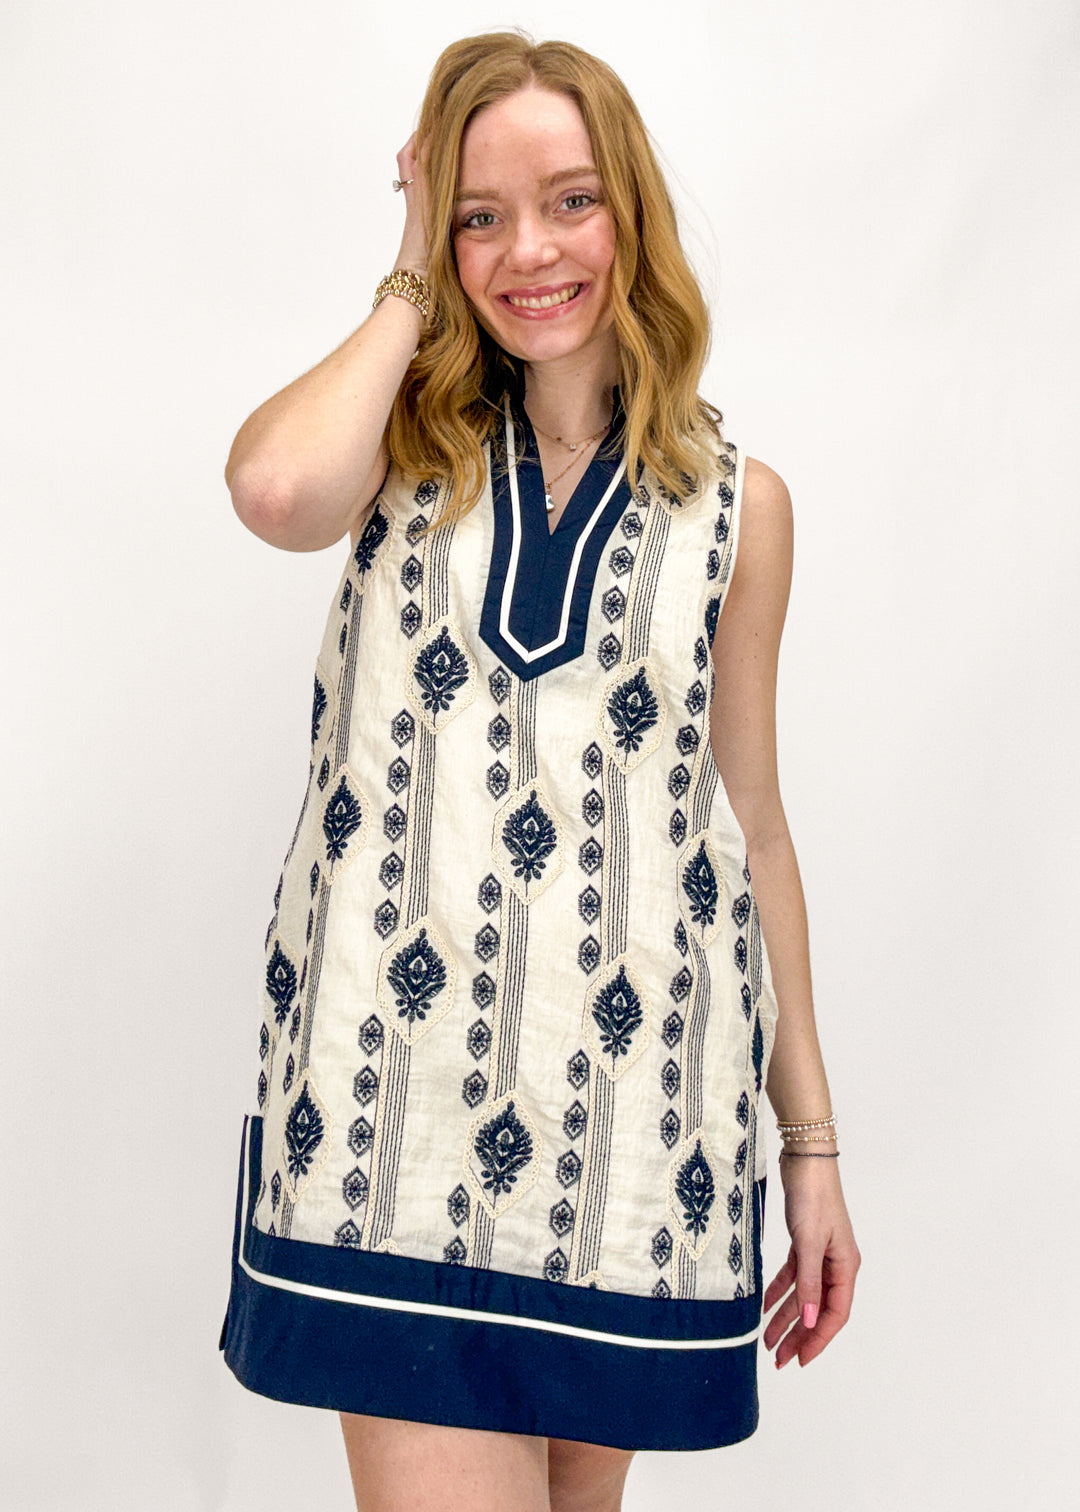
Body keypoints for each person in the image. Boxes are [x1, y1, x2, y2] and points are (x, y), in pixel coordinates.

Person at [217, 29, 860, 1512]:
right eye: (478, 215)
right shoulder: (397, 443)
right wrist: (404, 266)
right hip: (393, 1133)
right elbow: (270, 490)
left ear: (631, 208)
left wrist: (809, 1146)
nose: (530, 252)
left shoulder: (735, 507)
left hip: (638, 1146)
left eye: (571, 200)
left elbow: (752, 833)